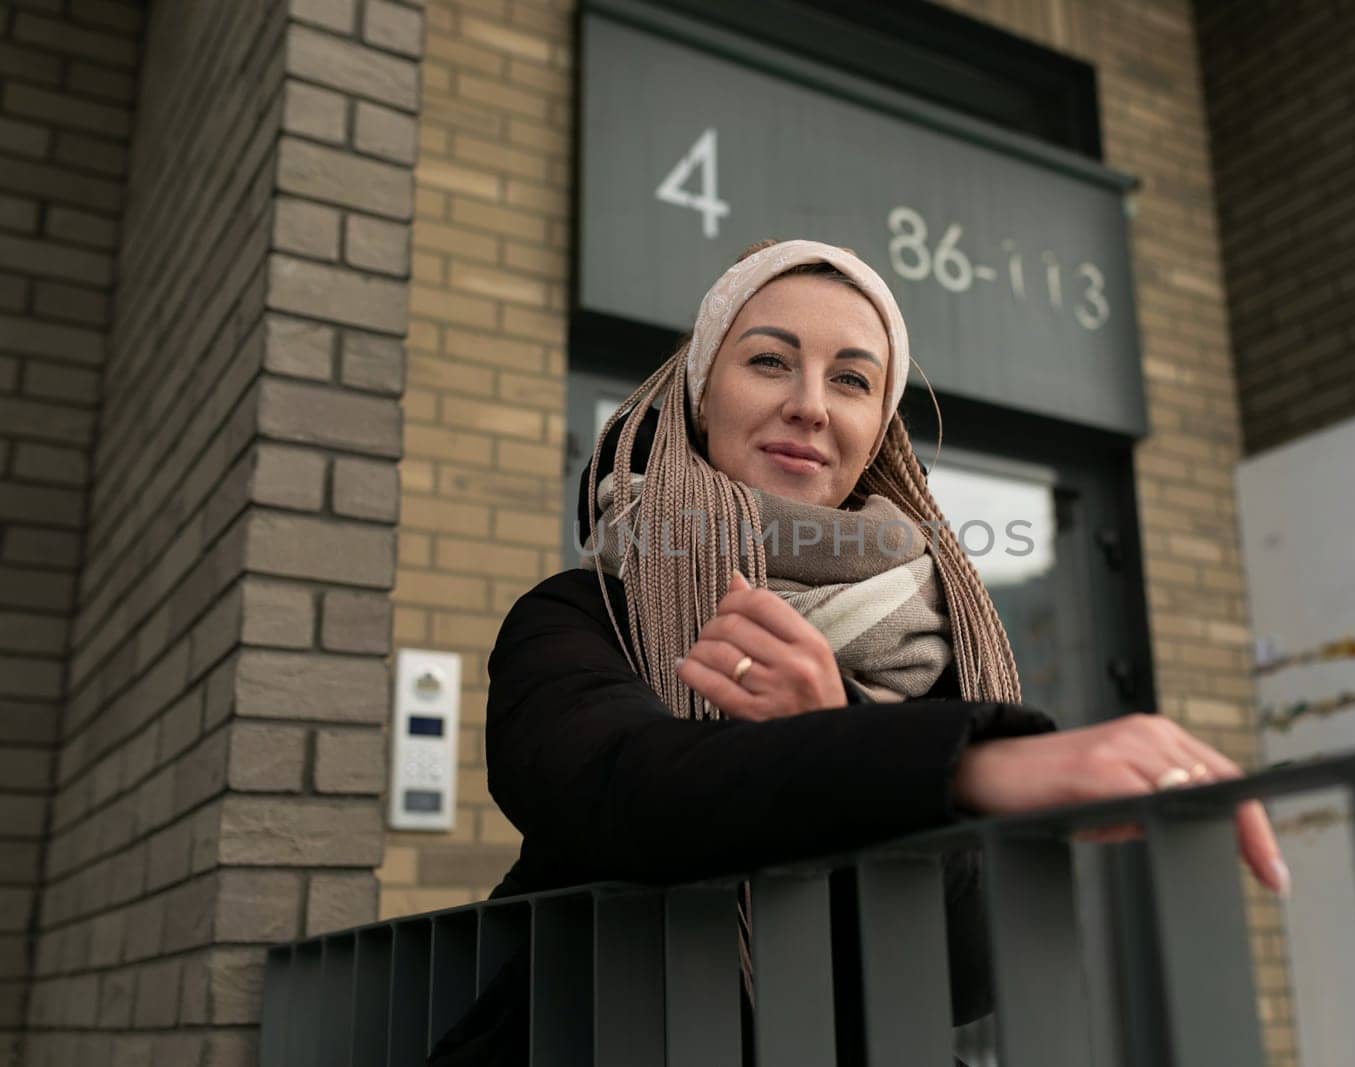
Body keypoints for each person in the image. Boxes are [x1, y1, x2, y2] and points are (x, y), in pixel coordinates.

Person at [427, 238, 1288, 1066]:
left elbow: (971, 968)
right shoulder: (581, 616)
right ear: (699, 396)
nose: (811, 402)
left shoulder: (939, 647)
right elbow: (618, 788)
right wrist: (961, 769)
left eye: (851, 379)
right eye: (769, 360)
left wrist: (844, 724)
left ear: (876, 426)